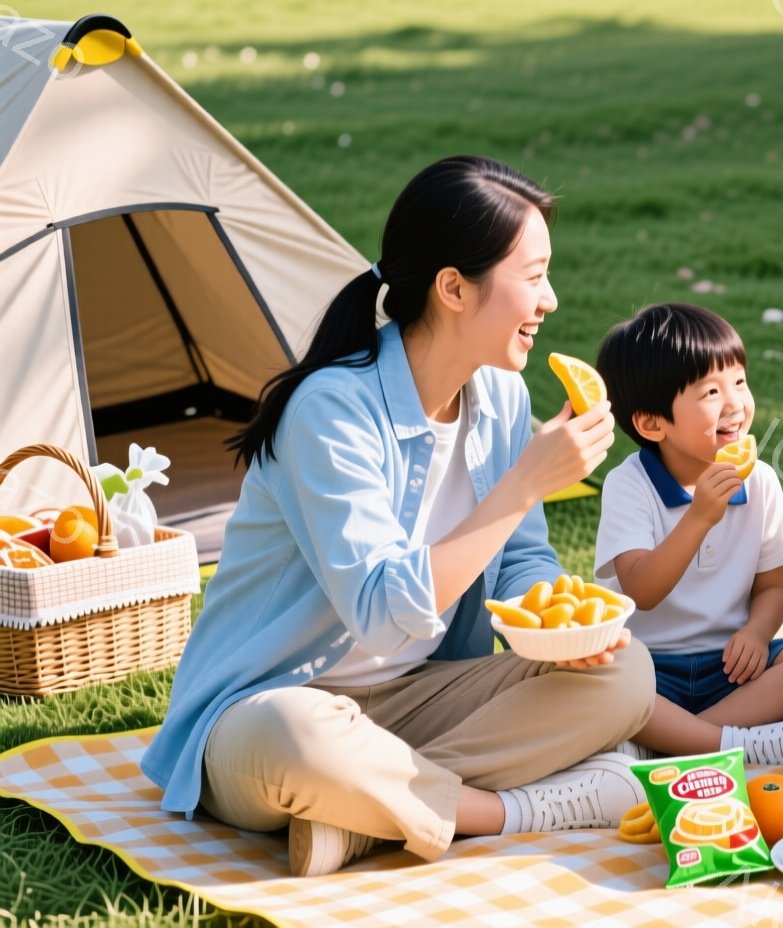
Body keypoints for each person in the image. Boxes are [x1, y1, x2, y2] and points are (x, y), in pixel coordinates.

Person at [142, 156, 655, 879]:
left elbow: (521, 560)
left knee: (627, 672)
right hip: (277, 703)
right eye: (534, 276)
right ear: (454, 288)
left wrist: (561, 637)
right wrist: (522, 485)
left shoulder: (501, 398)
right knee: (301, 741)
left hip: (420, 697)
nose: (551, 300)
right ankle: (512, 810)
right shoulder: (331, 410)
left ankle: (356, 818)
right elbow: (383, 613)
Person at [592, 302, 783, 765]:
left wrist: (757, 633)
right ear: (652, 423)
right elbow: (642, 590)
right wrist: (699, 517)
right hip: (648, 668)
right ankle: (733, 746)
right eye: (710, 391)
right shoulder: (628, 485)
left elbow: (772, 589)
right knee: (598, 676)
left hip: (732, 668)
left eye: (739, 382)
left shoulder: (760, 481)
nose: (735, 404)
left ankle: (673, 742)